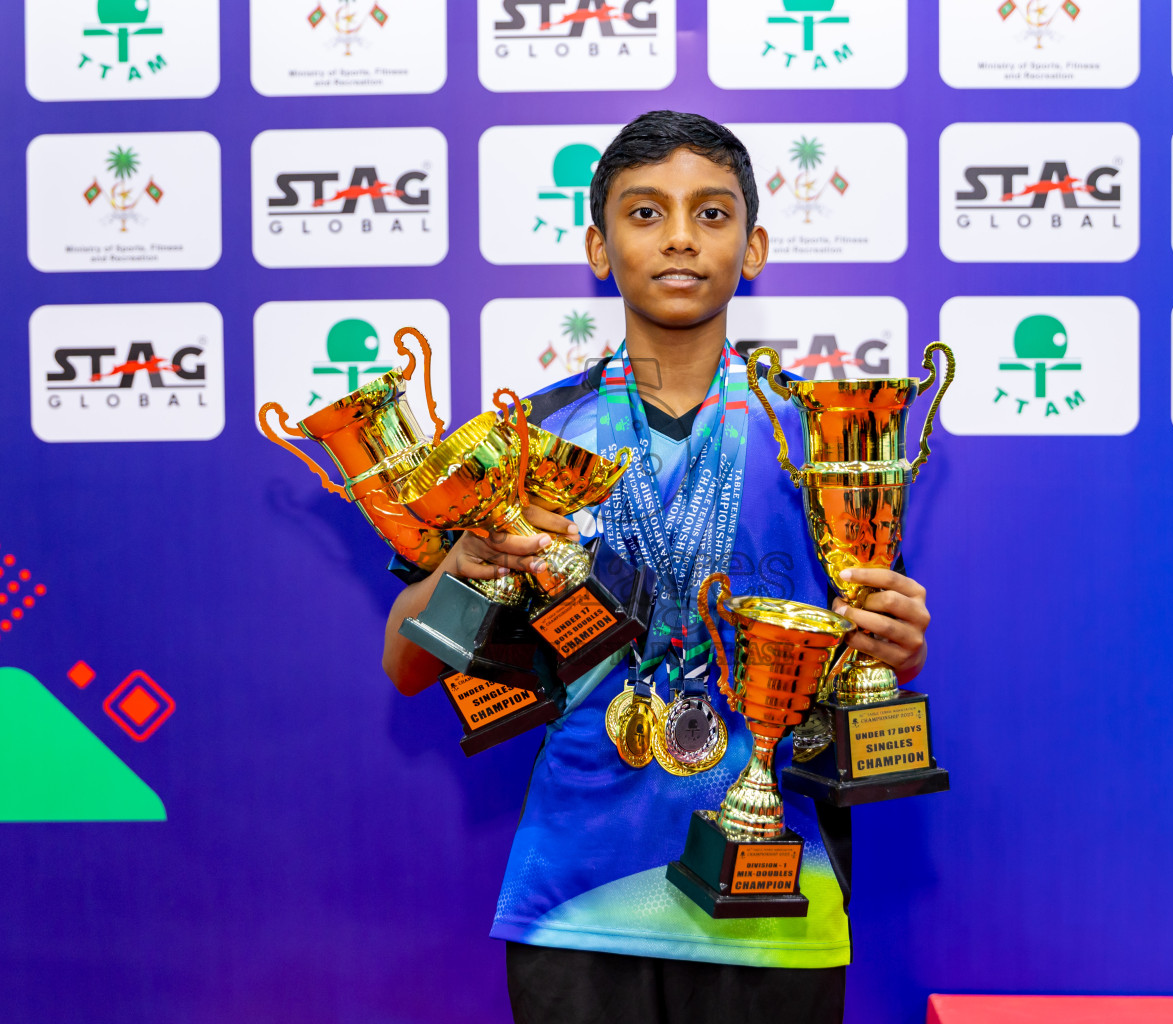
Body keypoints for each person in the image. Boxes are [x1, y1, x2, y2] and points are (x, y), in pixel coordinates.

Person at [382, 111, 933, 1024]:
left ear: (754, 247)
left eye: (711, 213)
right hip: (576, 902)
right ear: (598, 248)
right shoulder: (529, 437)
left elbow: (876, 651)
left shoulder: (826, 436)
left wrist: (897, 649)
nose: (680, 237)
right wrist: (472, 559)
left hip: (774, 899)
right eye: (646, 213)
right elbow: (407, 663)